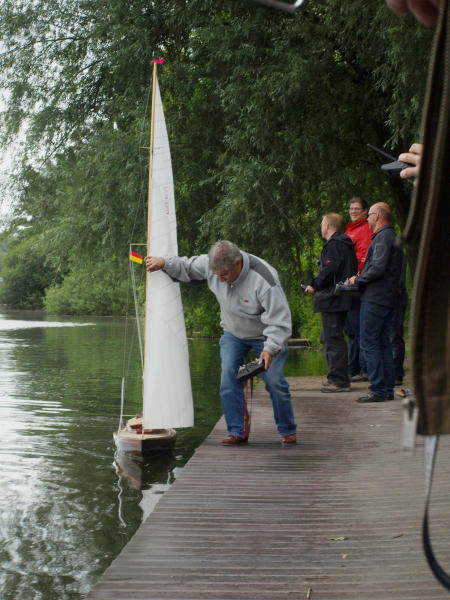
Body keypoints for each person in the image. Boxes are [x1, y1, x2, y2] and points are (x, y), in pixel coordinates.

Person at [144, 240, 297, 446]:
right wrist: (164, 262)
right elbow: (186, 266)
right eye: (216, 275)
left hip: (266, 335)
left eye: (224, 275)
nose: (220, 280)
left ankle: (287, 430)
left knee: (274, 381)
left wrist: (270, 349)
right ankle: (237, 431)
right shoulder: (211, 265)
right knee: (227, 378)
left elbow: (280, 320)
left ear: (237, 264)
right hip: (234, 333)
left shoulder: (264, 278)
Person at [348, 203, 403, 403]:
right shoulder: (392, 236)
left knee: (368, 342)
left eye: (369, 215)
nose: (367, 219)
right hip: (389, 298)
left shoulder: (382, 237)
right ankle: (387, 388)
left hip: (375, 297)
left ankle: (378, 388)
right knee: (383, 343)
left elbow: (378, 267)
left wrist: (357, 280)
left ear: (378, 216)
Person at [305, 213, 358, 393]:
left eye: (322, 224)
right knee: (326, 337)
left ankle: (340, 381)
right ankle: (335, 376)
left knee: (333, 338)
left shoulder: (335, 245)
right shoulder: (344, 244)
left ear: (327, 226)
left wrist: (314, 284)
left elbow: (329, 270)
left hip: (333, 299)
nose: (321, 227)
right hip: (338, 298)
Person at [344, 198, 373, 382]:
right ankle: (353, 368)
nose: (353, 211)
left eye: (357, 209)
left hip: (358, 284)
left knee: (358, 328)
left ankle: (362, 369)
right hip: (350, 283)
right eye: (351, 208)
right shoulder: (350, 229)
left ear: (365, 211)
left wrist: (358, 277)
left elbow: (364, 255)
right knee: (352, 329)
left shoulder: (364, 230)